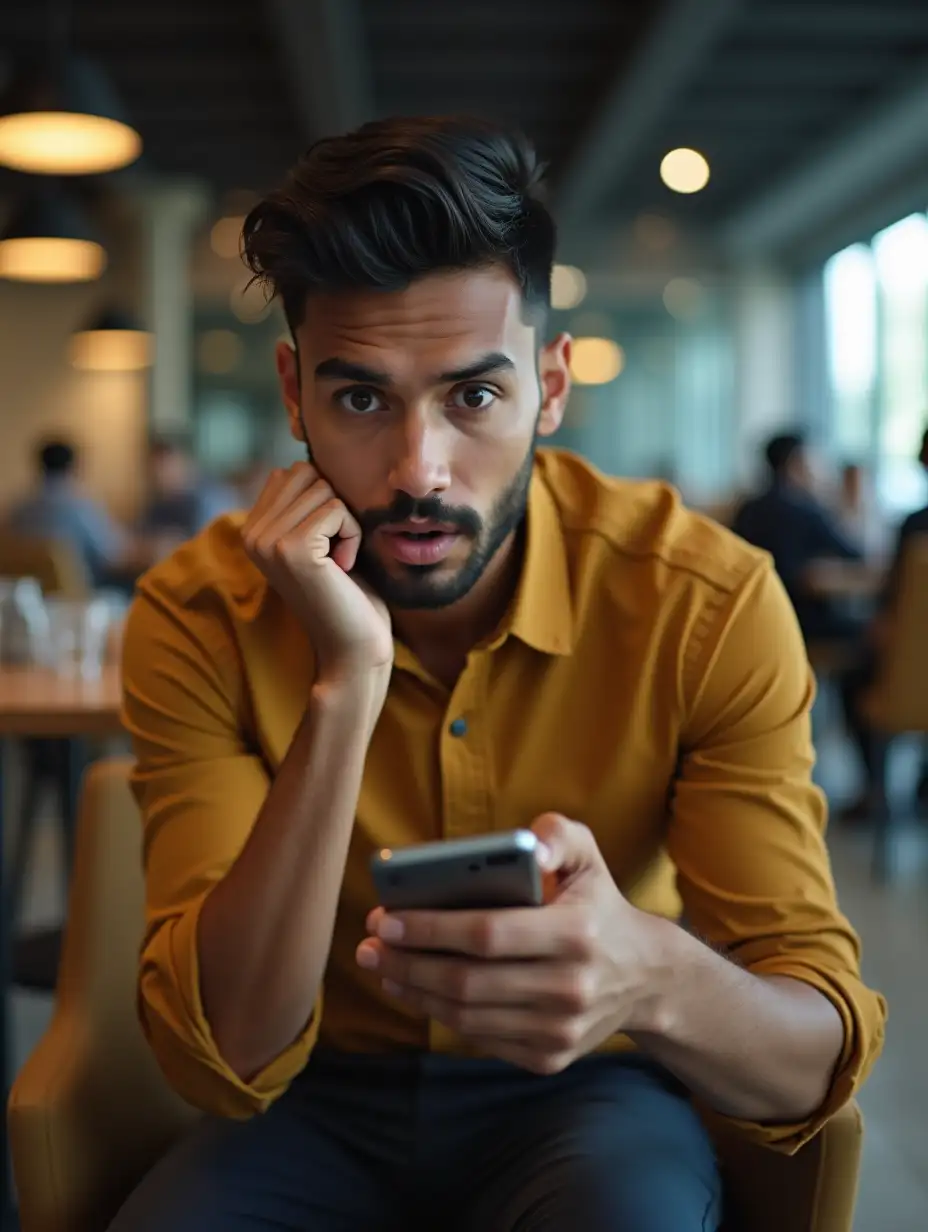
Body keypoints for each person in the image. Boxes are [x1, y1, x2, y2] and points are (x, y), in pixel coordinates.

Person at [112, 117, 885, 1232]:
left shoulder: (701, 603)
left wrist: (650, 975)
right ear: (293, 392)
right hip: (312, 1089)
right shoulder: (197, 610)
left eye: (472, 396)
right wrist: (346, 683)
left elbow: (813, 1060)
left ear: (551, 385)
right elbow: (226, 1052)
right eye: (360, 398)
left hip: (596, 1085)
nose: (417, 469)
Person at [839, 426, 928, 819]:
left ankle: (876, 789)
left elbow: (893, 607)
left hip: (911, 685)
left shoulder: (916, 526)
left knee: (857, 672)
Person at [732, 432, 865, 641]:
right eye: (812, 461)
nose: (817, 470)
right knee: (870, 633)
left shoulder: (747, 509)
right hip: (800, 620)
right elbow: (855, 554)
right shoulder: (805, 510)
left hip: (750, 618)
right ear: (796, 463)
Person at [4, 437, 131, 588]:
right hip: (82, 597)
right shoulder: (80, 504)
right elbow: (113, 553)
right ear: (73, 466)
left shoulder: (19, 507)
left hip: (34, 599)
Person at [138, 437, 239, 547]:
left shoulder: (211, 498)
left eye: (163, 468)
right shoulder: (160, 504)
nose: (159, 478)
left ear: (183, 462)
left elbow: (208, 546)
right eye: (154, 472)